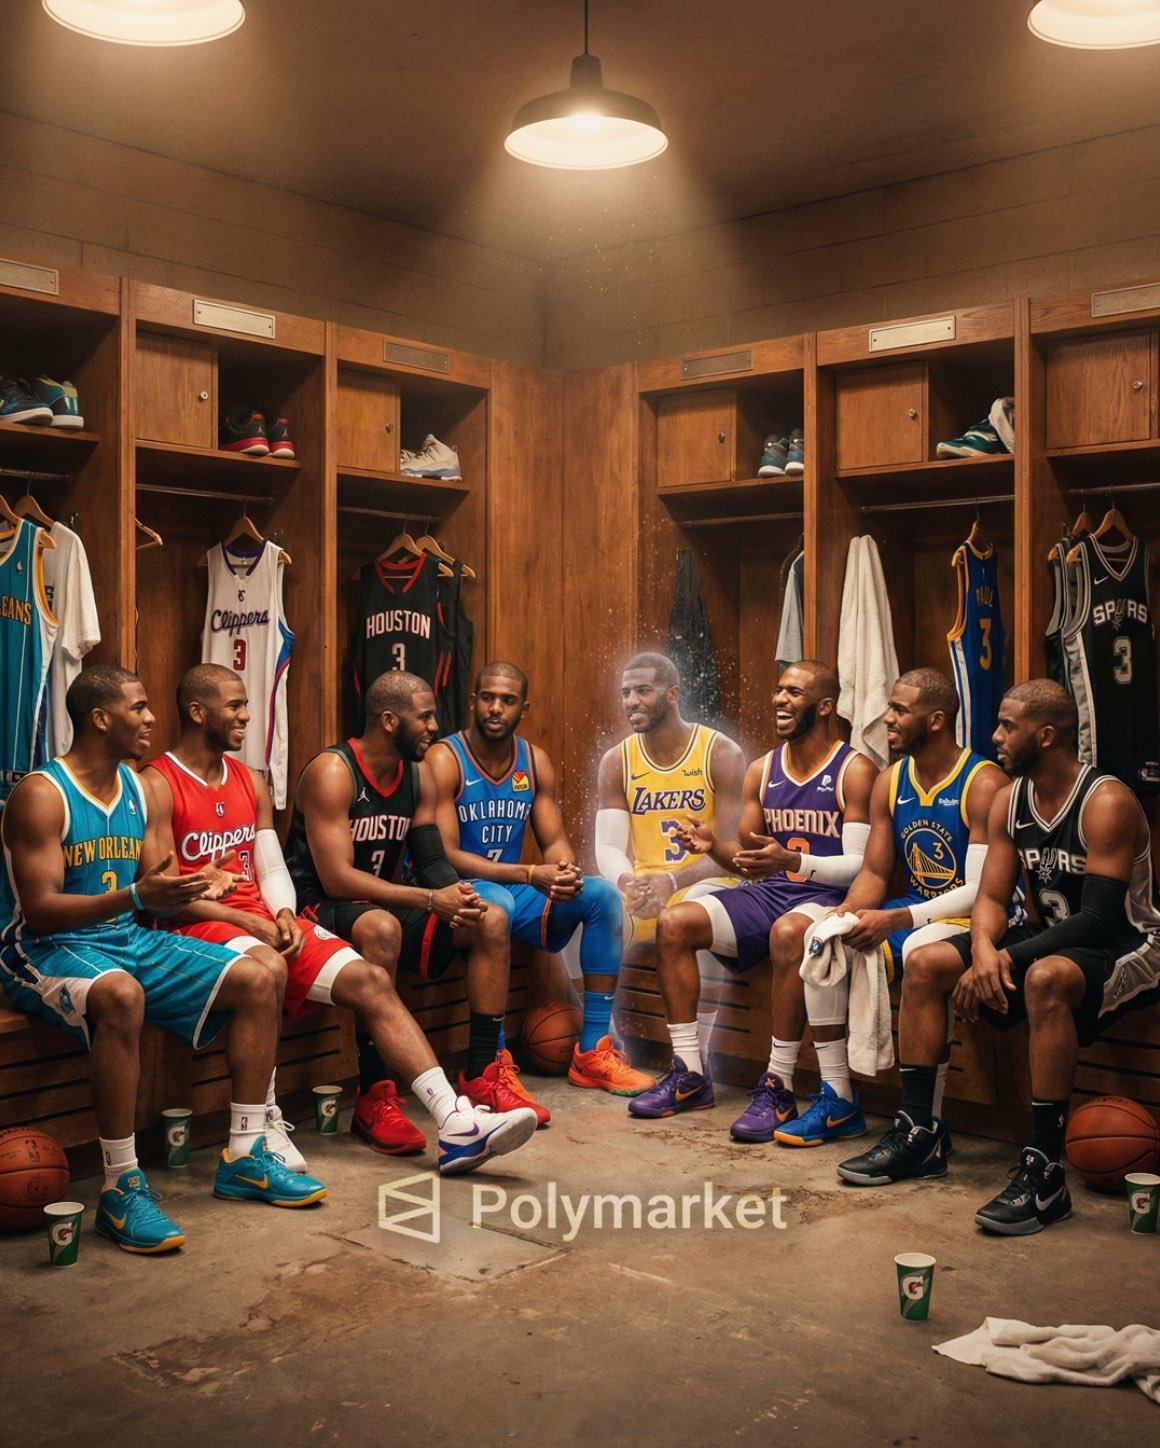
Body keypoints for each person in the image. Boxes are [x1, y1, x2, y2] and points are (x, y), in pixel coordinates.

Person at [145, 664, 528, 1176]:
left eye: (245, 705)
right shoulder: (157, 783)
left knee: (371, 980)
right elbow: (164, 897)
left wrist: (281, 912)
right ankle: (260, 1126)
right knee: (268, 970)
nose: (246, 715)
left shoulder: (249, 780)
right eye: (235, 706)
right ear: (197, 713)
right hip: (198, 927)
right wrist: (255, 924)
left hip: (264, 919)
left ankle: (455, 1121)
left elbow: (270, 868)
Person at [0, 665, 326, 1255]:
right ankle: (121, 1185)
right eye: (138, 708)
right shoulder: (42, 794)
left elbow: (158, 887)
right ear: (101, 719)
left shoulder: (134, 786)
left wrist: (201, 886)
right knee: (122, 994)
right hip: (44, 950)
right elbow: (42, 912)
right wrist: (138, 896)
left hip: (125, 937)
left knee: (258, 979)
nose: (151, 718)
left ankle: (246, 1154)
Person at [840, 679, 1160, 1234]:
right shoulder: (1011, 799)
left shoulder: (1105, 800)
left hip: (1130, 945)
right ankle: (920, 1133)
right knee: (927, 962)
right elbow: (989, 897)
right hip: (1049, 935)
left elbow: (1098, 921)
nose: (995, 736)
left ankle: (1044, 1171)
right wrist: (985, 948)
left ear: (1047, 735)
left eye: (1008, 726)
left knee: (1044, 978)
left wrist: (1005, 960)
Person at [283, 669, 540, 1169]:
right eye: (424, 717)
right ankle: (375, 1095)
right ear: (388, 720)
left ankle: (482, 1073)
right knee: (382, 928)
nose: (433, 727)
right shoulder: (333, 771)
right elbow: (337, 878)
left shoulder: (418, 773)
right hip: (321, 906)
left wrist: (458, 896)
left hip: (389, 899)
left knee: (488, 919)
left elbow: (431, 859)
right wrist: (428, 899)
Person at [628, 661, 876, 1131]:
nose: (780, 699)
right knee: (674, 922)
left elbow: (862, 866)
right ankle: (690, 1073)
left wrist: (793, 861)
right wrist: (713, 846)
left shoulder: (855, 770)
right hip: (771, 891)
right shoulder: (762, 770)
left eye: (794, 693)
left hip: (829, 898)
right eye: (779, 689)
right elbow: (748, 861)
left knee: (788, 932)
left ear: (825, 707)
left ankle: (777, 1085)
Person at [427, 661, 652, 1098]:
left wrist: (564, 872)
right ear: (473, 702)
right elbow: (448, 855)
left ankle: (593, 1052)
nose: (496, 708)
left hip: (512, 889)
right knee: (497, 908)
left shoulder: (533, 761)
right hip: (463, 892)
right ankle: (492, 1063)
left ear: (523, 709)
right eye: (487, 698)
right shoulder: (445, 758)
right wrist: (532, 873)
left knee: (603, 896)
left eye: (507, 700)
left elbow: (554, 841)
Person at [817, 668, 1007, 1150]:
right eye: (889, 707)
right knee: (823, 940)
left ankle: (925, 1125)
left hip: (976, 917)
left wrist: (899, 919)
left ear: (936, 720)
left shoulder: (983, 782)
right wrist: (845, 913)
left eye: (900, 710)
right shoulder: (890, 780)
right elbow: (875, 873)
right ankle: (837, 1096)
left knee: (922, 951)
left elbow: (982, 891)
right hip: (918, 909)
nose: (887, 718)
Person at [595, 652, 745, 1065]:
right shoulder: (617, 760)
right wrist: (628, 883)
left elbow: (733, 851)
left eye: (643, 690)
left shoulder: (721, 753)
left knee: (697, 915)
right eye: (626, 693)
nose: (631, 701)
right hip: (646, 889)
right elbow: (608, 847)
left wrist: (673, 882)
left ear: (673, 694)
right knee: (582, 913)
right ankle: (605, 1044)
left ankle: (697, 1055)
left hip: (706, 883)